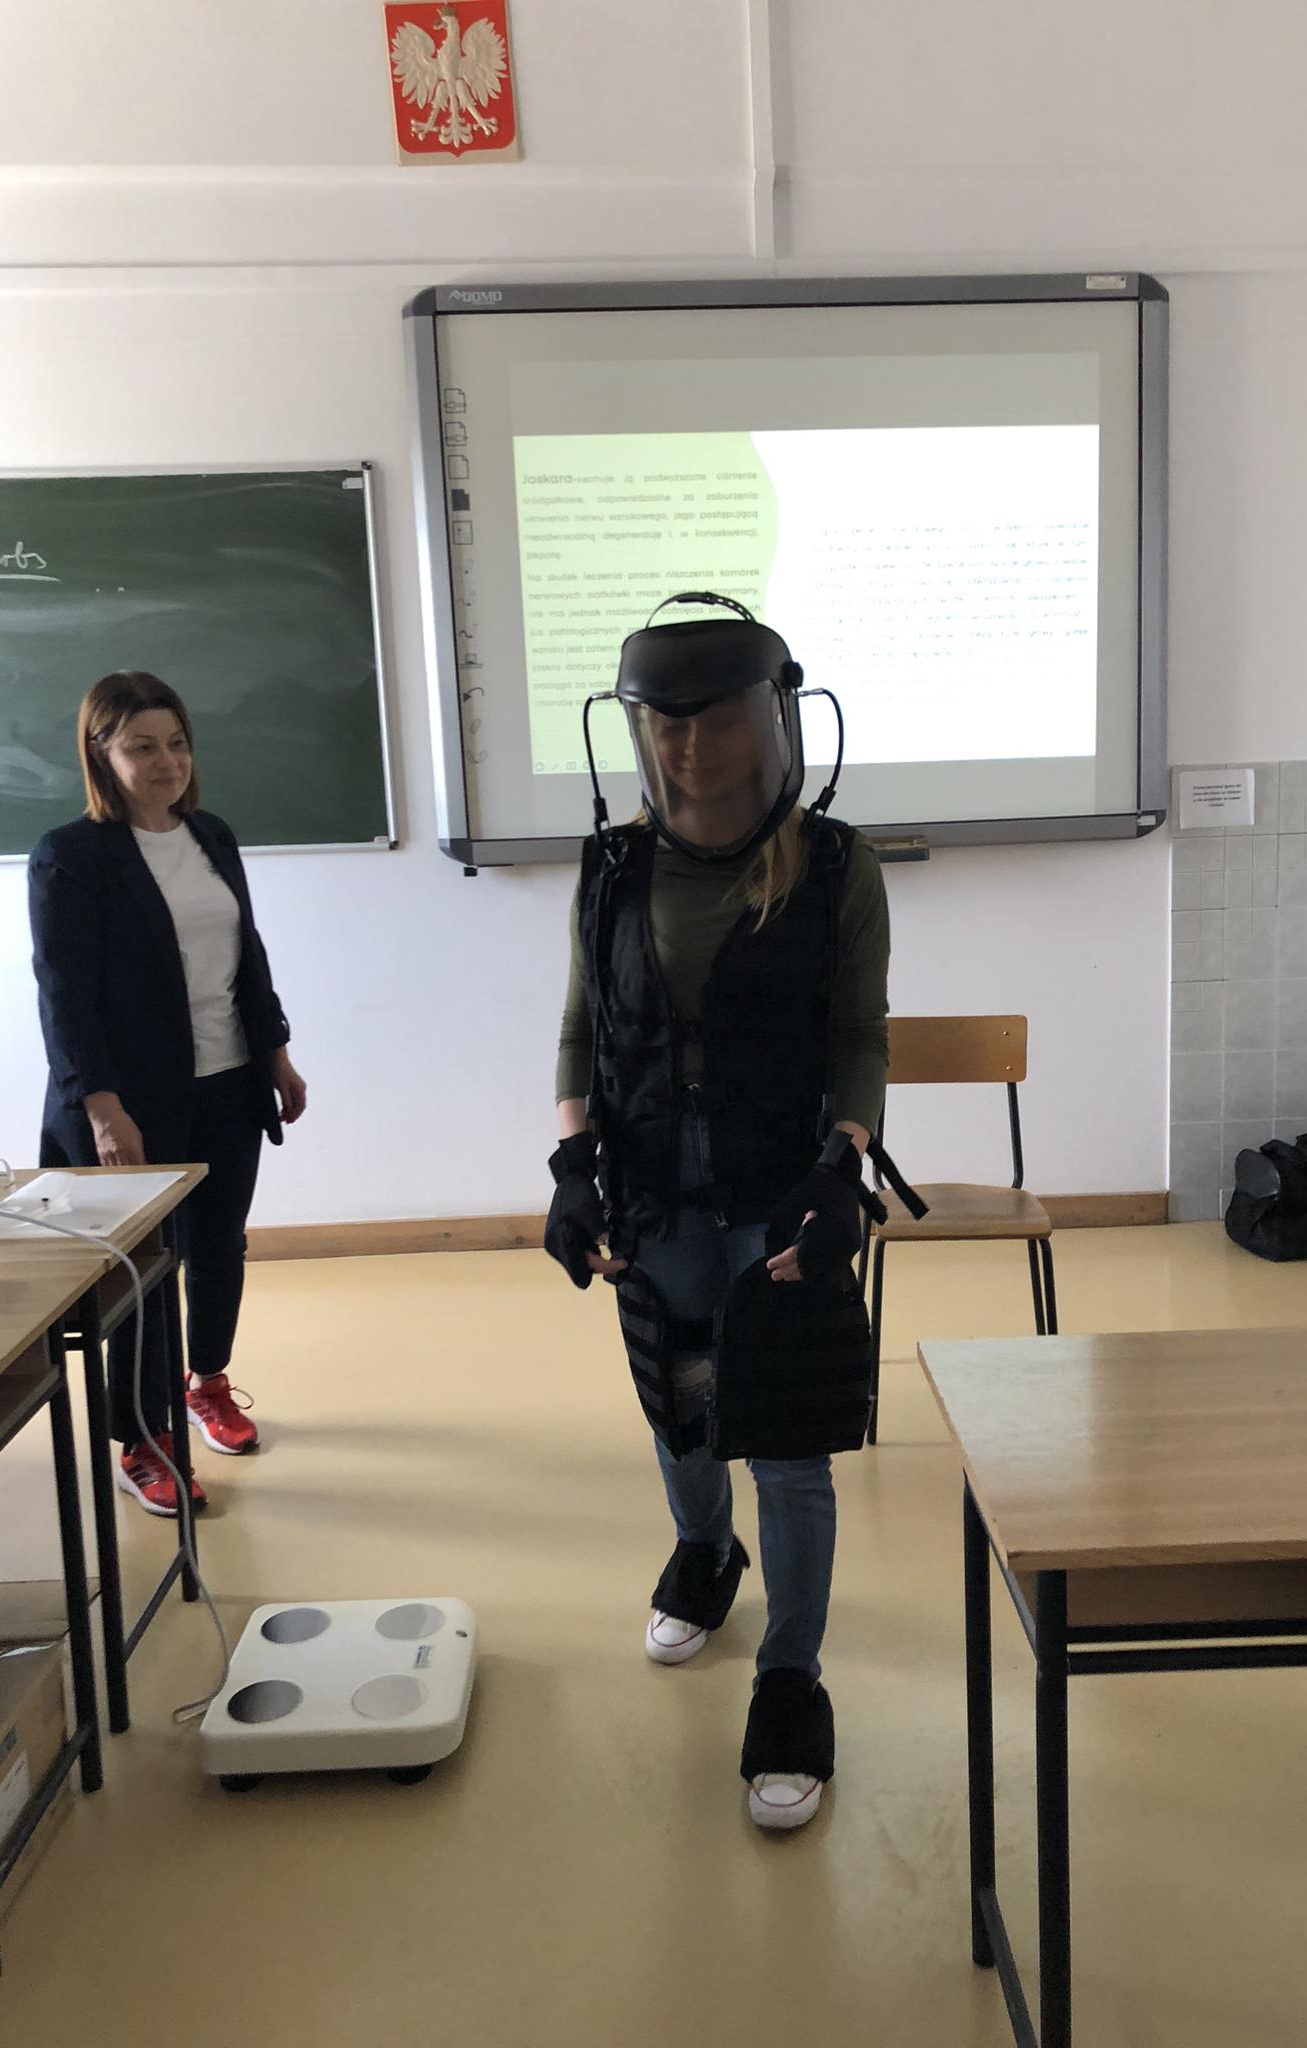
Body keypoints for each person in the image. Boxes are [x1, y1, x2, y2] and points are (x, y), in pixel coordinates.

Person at [547, 593, 900, 1832]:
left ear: (774, 719)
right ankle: (706, 1549)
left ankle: (791, 1676)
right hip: (653, 1181)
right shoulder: (612, 867)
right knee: (682, 1393)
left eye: (719, 718)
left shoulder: (839, 867)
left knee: (788, 1438)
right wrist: (571, 1161)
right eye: (667, 721)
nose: (692, 745)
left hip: (781, 1180)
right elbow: (584, 1024)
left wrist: (842, 1164)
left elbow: (859, 1035)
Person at [28, 670, 306, 1516]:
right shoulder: (71, 857)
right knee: (144, 1274)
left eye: (177, 743)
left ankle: (206, 1383)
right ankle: (142, 1441)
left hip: (229, 1082)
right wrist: (100, 1108)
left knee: (219, 1247)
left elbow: (247, 955)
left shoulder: (211, 836)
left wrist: (277, 1053)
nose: (167, 762)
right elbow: (65, 997)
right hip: (134, 1102)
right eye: (142, 747)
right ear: (100, 755)